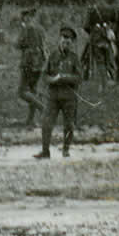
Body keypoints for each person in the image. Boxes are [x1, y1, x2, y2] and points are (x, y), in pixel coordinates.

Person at [37, 21, 84, 157]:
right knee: (46, 123)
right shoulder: (52, 55)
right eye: (64, 38)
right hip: (53, 96)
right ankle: (45, 151)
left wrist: (63, 77)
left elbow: (79, 78)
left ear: (72, 42)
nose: (66, 42)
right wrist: (51, 80)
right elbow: (44, 74)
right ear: (60, 39)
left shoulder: (75, 58)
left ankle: (66, 149)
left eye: (68, 40)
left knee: (69, 125)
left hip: (69, 96)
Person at [16, 5, 44, 107]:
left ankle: (43, 109)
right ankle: (31, 119)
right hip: (39, 62)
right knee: (33, 89)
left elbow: (19, 44)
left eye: (24, 16)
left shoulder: (27, 28)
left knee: (22, 92)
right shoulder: (39, 28)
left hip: (28, 61)